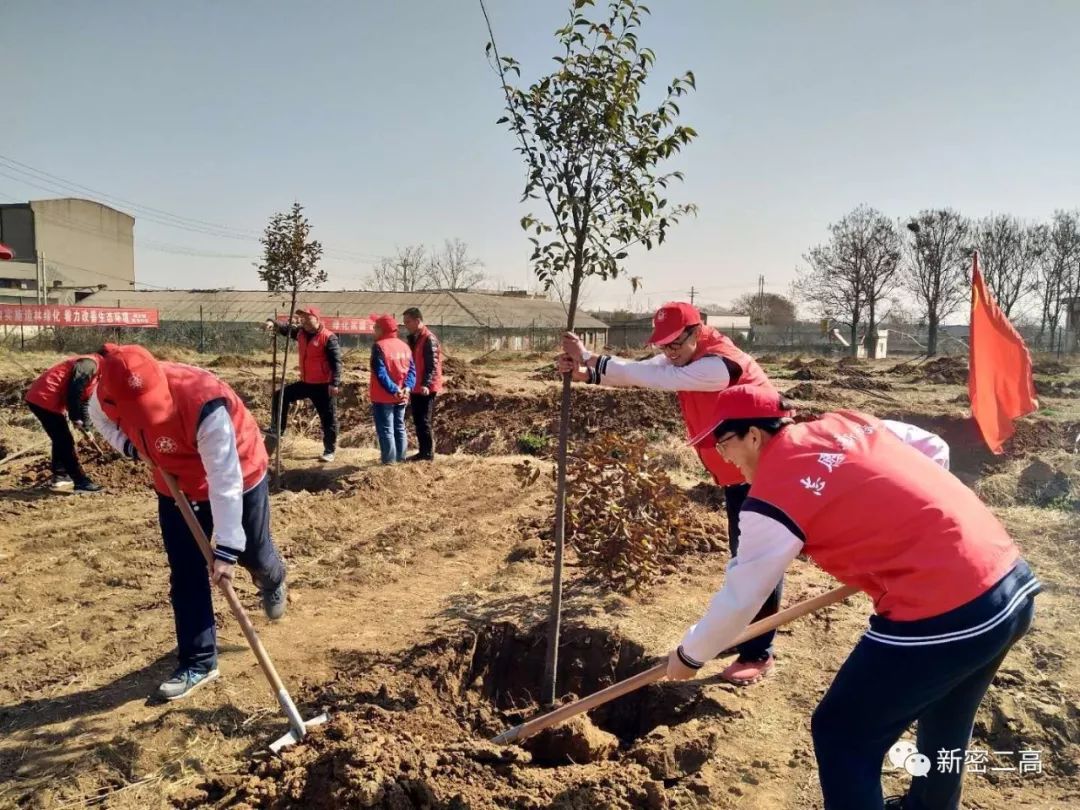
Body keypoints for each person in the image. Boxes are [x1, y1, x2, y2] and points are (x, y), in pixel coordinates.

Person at [664, 384, 1039, 810]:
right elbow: (931, 446)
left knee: (842, 733)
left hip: (946, 614)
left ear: (754, 434)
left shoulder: (771, 497)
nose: (721, 455)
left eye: (723, 442)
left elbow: (743, 595)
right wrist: (905, 528)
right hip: (1009, 582)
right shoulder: (846, 424)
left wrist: (691, 655)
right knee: (948, 711)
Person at [558, 301, 781, 685]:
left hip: (764, 469)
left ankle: (758, 653)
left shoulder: (719, 364)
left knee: (757, 561)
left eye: (676, 343)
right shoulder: (684, 359)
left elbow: (655, 377)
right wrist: (587, 373)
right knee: (743, 555)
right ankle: (745, 634)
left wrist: (591, 357)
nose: (670, 352)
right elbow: (647, 371)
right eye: (664, 345)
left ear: (698, 331)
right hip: (738, 471)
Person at [89, 343, 289, 702]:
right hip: (175, 483)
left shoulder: (202, 401)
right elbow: (100, 419)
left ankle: (272, 577)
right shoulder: (105, 393)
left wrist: (226, 550)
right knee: (186, 572)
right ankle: (199, 660)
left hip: (239, 472)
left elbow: (224, 479)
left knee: (252, 553)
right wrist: (130, 446)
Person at [263, 306, 343, 463]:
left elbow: (337, 363)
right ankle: (278, 428)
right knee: (280, 396)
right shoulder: (300, 333)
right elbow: (285, 328)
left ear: (317, 319)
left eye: (308, 318)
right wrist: (272, 322)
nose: (304, 321)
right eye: (302, 318)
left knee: (328, 418)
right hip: (306, 382)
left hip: (323, 385)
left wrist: (335, 383)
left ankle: (329, 451)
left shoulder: (328, 338)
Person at [24, 353, 104, 493]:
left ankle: (61, 476)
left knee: (60, 438)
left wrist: (87, 427)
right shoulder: (90, 364)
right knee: (65, 441)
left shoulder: (97, 373)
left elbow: (84, 401)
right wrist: (74, 417)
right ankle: (80, 482)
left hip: (46, 400)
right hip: (44, 397)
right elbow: (74, 391)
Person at [369, 314, 415, 464]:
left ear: (382, 330)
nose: (373, 331)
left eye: (375, 328)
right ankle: (400, 459)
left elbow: (380, 373)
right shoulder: (404, 346)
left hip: (384, 396)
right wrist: (407, 388)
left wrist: (394, 389)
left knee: (386, 429)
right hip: (402, 395)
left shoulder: (379, 347)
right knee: (399, 427)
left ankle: (389, 461)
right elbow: (412, 371)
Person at [402, 307, 442, 462]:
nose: (406, 325)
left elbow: (432, 364)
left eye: (408, 322)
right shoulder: (414, 337)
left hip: (426, 387)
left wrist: (426, 383)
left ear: (417, 321)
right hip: (416, 384)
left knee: (424, 419)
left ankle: (427, 454)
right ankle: (422, 452)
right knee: (418, 419)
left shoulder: (428, 338)